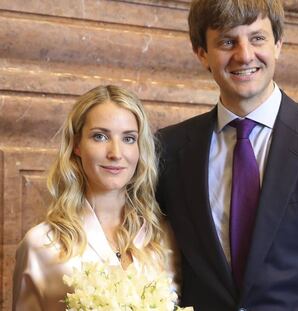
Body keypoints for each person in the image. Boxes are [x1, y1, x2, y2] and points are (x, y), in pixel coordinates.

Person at [156, 0, 298, 310]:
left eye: (257, 38)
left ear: (278, 44)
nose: (244, 55)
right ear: (202, 53)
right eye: (227, 41)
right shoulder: (169, 147)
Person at [13, 85, 177, 310]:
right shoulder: (41, 244)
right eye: (100, 136)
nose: (116, 153)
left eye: (129, 139)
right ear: (77, 145)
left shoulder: (165, 239)